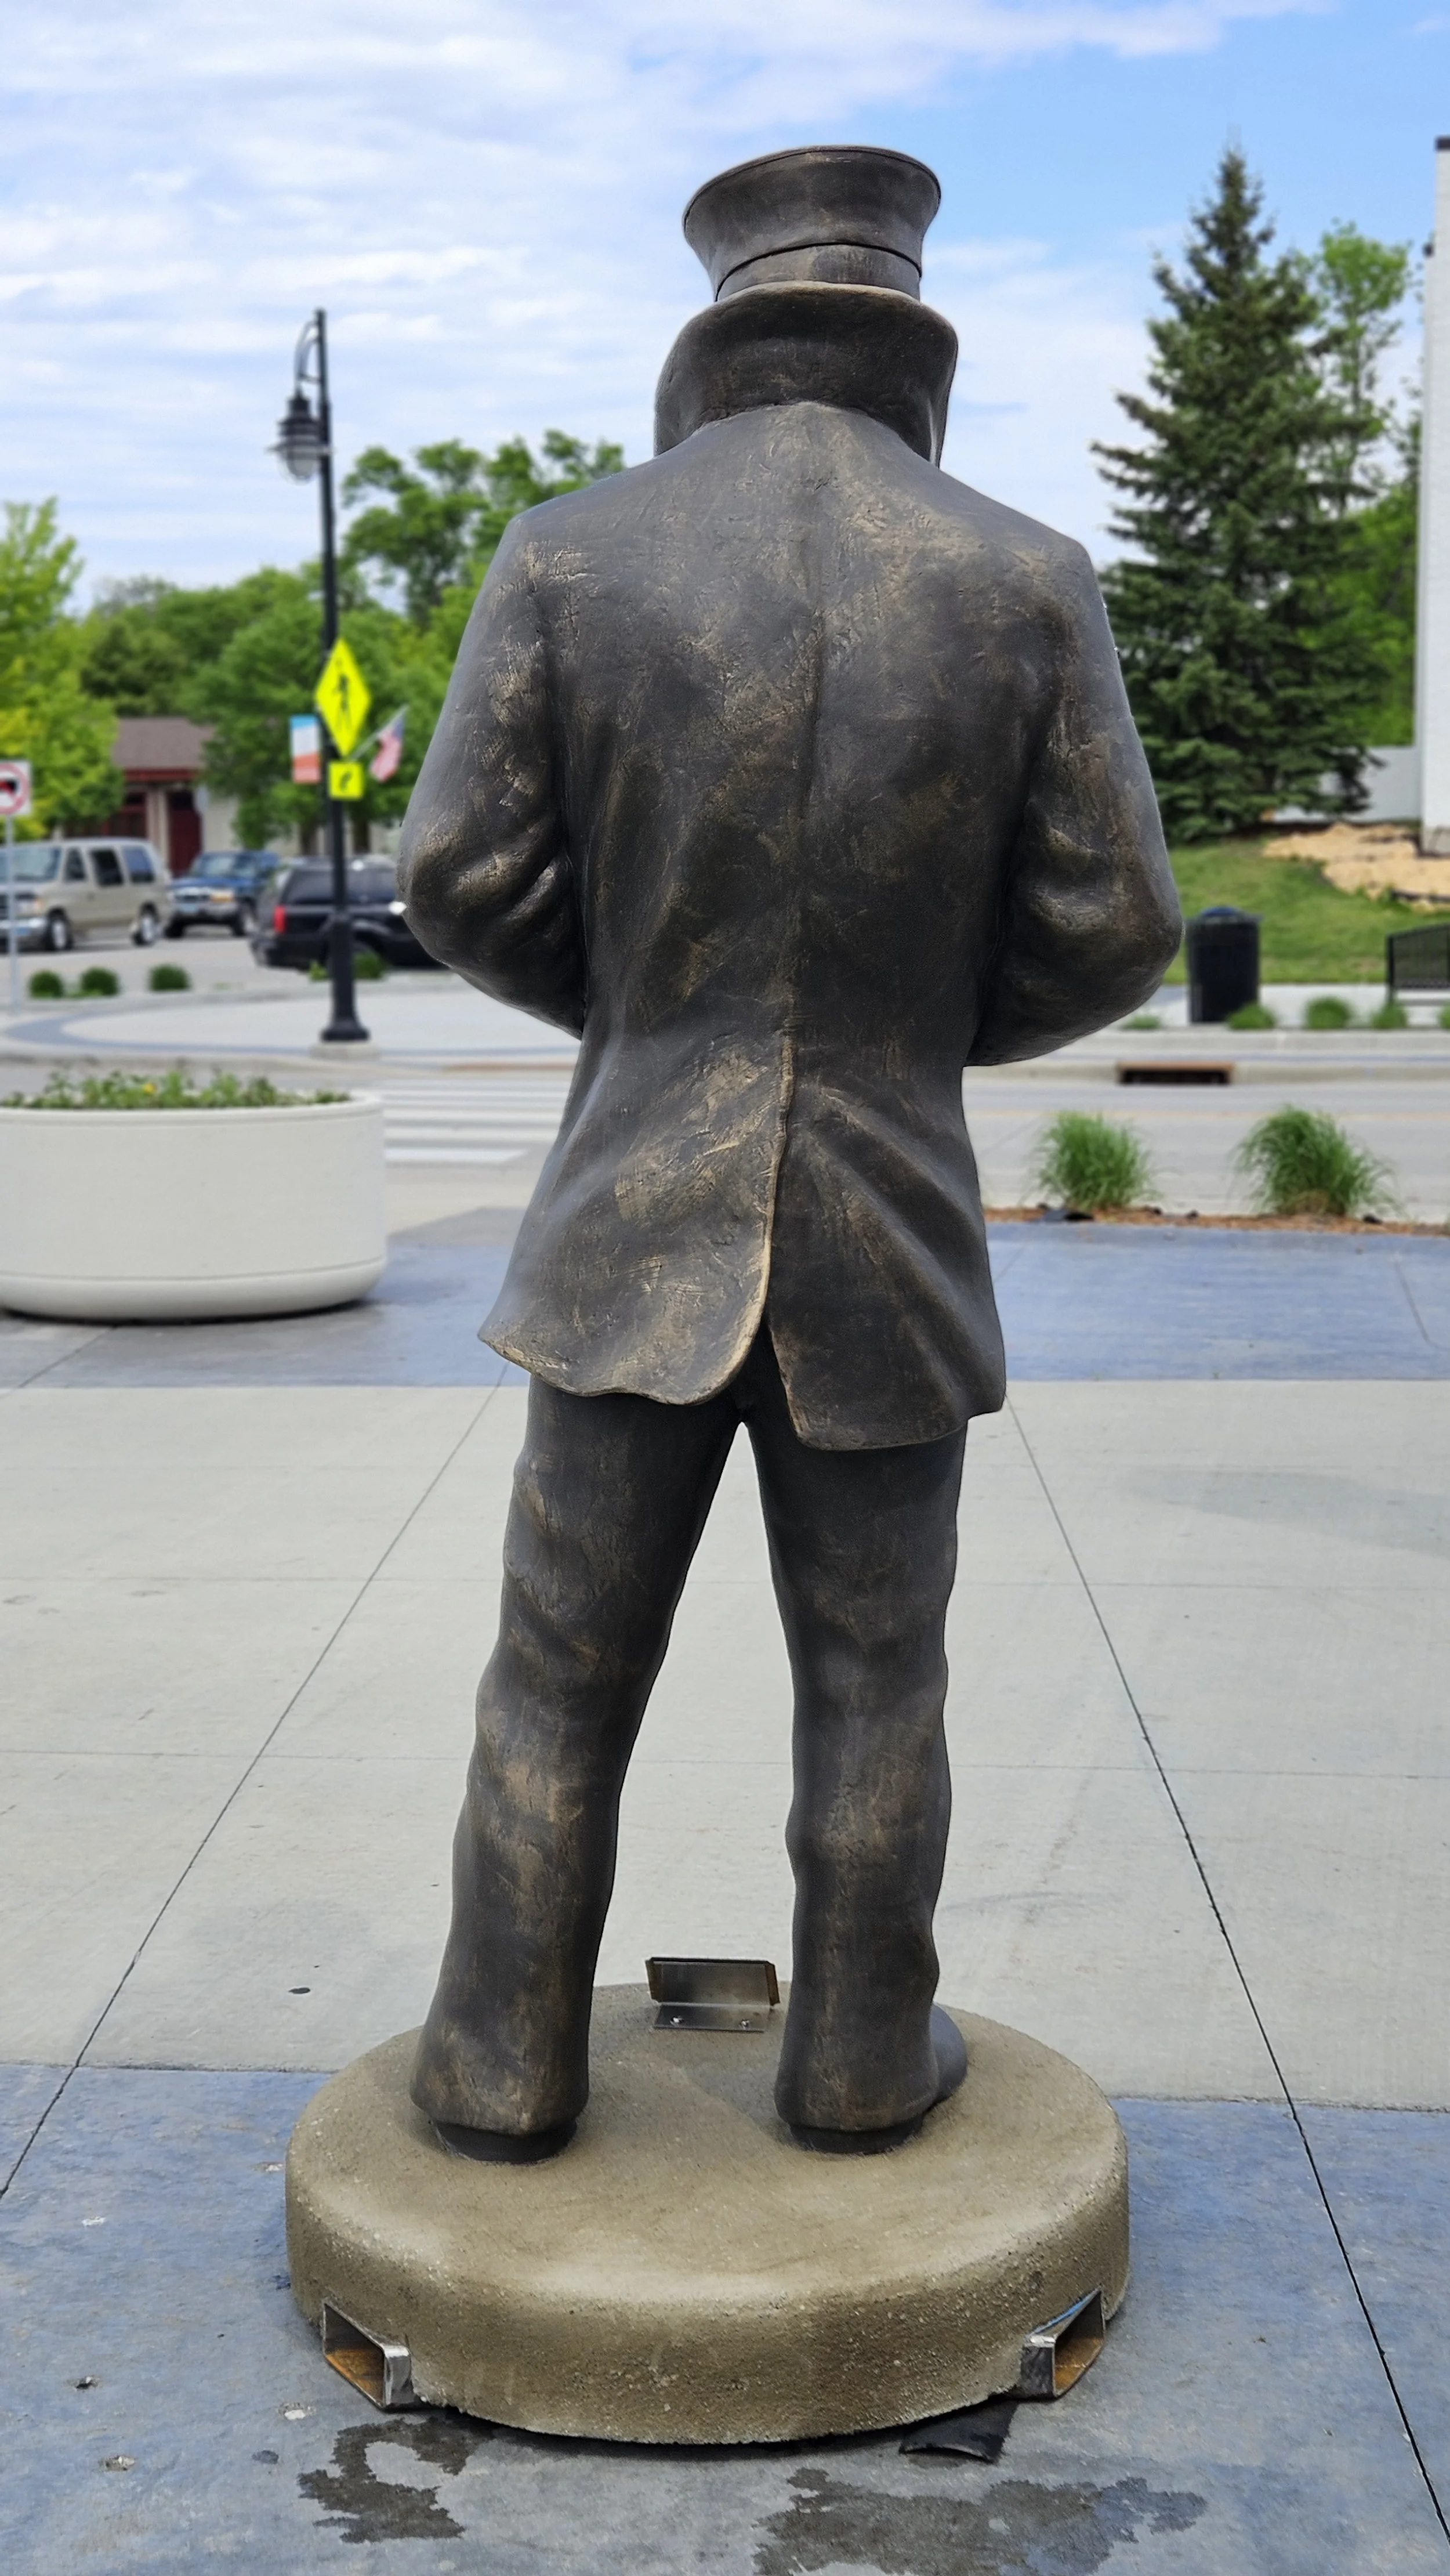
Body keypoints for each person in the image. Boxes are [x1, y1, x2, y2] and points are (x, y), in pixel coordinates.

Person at [398, 144, 1181, 2161]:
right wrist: (900, 1037)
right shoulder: (1021, 572)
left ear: (718, 339)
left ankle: (498, 2067)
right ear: (910, 342)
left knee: (555, 1673)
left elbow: (458, 874)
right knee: (878, 1676)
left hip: (626, 1222)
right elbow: (1115, 923)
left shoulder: (571, 554)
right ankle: (855, 2063)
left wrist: (650, 1019)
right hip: (884, 1227)